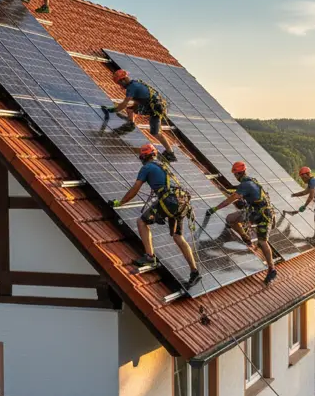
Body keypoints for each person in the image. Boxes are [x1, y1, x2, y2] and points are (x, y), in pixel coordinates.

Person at [109, 144, 201, 287]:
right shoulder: (162, 165)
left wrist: (120, 202)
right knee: (178, 236)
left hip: (169, 202)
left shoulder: (146, 168)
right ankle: (194, 271)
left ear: (144, 157)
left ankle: (150, 256)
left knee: (141, 222)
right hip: (181, 202)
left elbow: (135, 189)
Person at [205, 162, 277, 285]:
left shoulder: (246, 184)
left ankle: (272, 269)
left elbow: (231, 199)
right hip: (254, 213)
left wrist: (216, 208)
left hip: (264, 216)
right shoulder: (251, 181)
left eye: (235, 174)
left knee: (262, 241)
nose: (234, 176)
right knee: (230, 219)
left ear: (239, 173)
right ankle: (246, 237)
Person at [106, 70, 177, 162]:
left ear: (123, 80)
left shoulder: (131, 88)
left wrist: (114, 110)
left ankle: (170, 153)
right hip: (152, 106)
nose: (120, 85)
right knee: (130, 109)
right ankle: (131, 124)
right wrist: (134, 108)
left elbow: (124, 103)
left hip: (155, 111)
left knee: (155, 133)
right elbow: (138, 100)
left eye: (119, 82)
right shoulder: (136, 83)